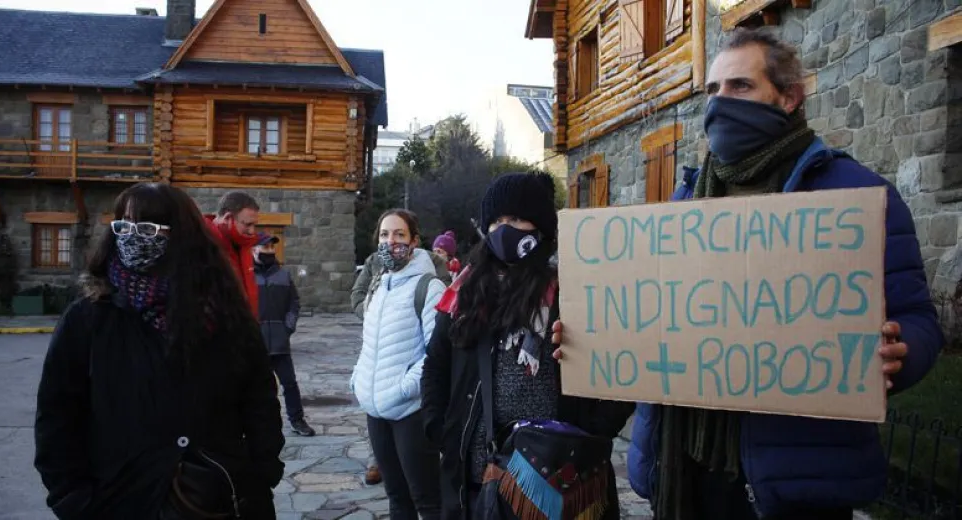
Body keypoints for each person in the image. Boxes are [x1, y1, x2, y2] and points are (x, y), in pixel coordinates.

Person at [553, 27, 943, 520]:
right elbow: (652, 313)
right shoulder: (684, 201)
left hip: (793, 485)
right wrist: (594, 337)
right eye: (713, 90)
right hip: (686, 473)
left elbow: (918, 318)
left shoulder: (856, 197)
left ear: (788, 97)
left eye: (740, 86)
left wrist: (900, 350)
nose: (720, 103)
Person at [34, 183, 284, 519]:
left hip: (217, 498)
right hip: (118, 500)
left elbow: (259, 400)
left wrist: (262, 472)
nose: (134, 237)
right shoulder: (89, 317)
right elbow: (57, 415)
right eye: (124, 226)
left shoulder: (226, 315)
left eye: (149, 228)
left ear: (182, 236)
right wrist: (73, 500)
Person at [420, 172, 635, 520]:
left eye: (517, 218)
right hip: (476, 482)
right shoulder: (463, 293)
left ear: (541, 228)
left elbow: (620, 367)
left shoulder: (573, 293)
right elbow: (435, 365)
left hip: (559, 481)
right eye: (497, 221)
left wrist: (594, 435)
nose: (505, 229)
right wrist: (440, 429)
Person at [350, 208, 445, 520]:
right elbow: (370, 343)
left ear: (414, 241)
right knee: (396, 497)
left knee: (426, 500)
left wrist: (405, 387)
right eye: (384, 235)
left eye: (399, 235)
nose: (391, 242)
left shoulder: (429, 286)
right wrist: (359, 379)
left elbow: (437, 352)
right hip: (376, 410)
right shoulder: (379, 285)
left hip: (409, 411)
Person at [254, 233, 316, 437]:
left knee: (289, 384)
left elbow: (294, 303)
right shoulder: (247, 277)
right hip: (256, 344)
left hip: (280, 343)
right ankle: (259, 425)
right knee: (258, 389)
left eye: (272, 248)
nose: (270, 251)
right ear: (254, 250)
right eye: (265, 248)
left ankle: (297, 420)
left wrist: (287, 326)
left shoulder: (284, 276)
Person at [205, 191, 261, 315]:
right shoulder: (202, 246)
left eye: (254, 225)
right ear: (227, 218)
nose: (252, 231)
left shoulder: (243, 245)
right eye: (247, 224)